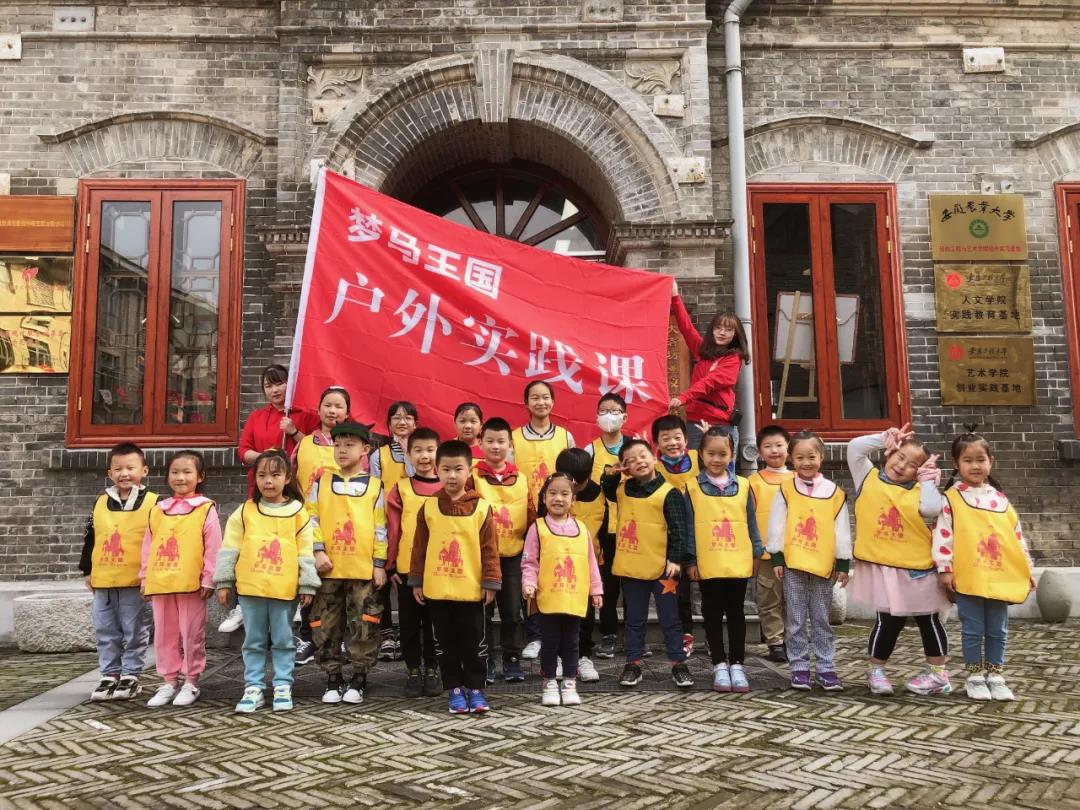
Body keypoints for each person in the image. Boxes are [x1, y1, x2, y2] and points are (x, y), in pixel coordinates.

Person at [933, 427, 1035, 702]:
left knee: (998, 629)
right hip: (968, 574)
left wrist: (1026, 569)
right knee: (972, 628)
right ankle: (975, 676)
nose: (975, 466)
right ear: (956, 464)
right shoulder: (951, 498)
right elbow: (944, 535)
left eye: (981, 459)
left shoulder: (1000, 500)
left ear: (991, 461)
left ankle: (996, 675)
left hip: (999, 574)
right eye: (968, 460)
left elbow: (1015, 537)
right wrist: (945, 568)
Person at [848, 424, 951, 697]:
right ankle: (876, 671)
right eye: (900, 456)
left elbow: (932, 509)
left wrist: (927, 481)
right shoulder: (867, 476)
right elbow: (855, 448)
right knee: (888, 621)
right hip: (884, 566)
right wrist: (884, 438)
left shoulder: (920, 489)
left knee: (929, 620)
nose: (902, 466)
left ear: (919, 471)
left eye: (913, 465)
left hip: (917, 567)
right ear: (890, 453)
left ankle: (938, 674)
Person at [214, 450, 320, 713]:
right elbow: (230, 547)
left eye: (275, 475)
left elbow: (305, 551)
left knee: (284, 639)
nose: (268, 481)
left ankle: (283, 684)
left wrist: (307, 583)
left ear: (287, 478)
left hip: (284, 589)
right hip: (251, 588)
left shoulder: (298, 512)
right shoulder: (245, 511)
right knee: (254, 640)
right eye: (262, 475)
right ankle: (254, 687)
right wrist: (224, 581)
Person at [410, 440, 501, 714]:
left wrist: (490, 582)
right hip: (437, 588)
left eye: (458, 469)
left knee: (474, 641)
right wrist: (417, 580)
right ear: (436, 470)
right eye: (446, 469)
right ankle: (455, 689)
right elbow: (419, 547)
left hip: (471, 589)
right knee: (445, 642)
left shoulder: (482, 508)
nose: (452, 476)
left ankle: (476, 688)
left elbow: (490, 549)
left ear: (469, 470)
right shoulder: (428, 507)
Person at [230, 364, 319, 634]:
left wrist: (293, 432)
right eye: (268, 386)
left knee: (290, 545)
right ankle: (242, 603)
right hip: (262, 491)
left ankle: (294, 597)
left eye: (279, 383)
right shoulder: (258, 417)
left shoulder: (305, 415)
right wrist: (269, 461)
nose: (274, 390)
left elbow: (318, 447)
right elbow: (243, 451)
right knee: (257, 545)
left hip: (295, 490)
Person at [601, 439, 693, 689]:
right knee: (634, 619)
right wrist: (613, 472)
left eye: (643, 455)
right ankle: (633, 664)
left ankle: (678, 664)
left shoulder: (669, 493)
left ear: (654, 457)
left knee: (670, 618)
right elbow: (606, 486)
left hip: (664, 570)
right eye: (630, 460)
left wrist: (676, 559)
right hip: (632, 568)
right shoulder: (621, 490)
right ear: (625, 467)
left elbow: (679, 529)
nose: (639, 462)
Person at [306, 420, 387, 706]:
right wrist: (317, 551)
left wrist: (379, 563)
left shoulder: (375, 486)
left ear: (364, 449)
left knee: (364, 622)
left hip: (362, 568)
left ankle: (360, 677)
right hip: (328, 567)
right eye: (337, 445)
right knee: (325, 623)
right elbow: (311, 518)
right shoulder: (321, 482)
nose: (342, 450)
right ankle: (332, 676)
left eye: (349, 445)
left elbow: (380, 527)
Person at [766, 431, 850, 691]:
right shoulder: (786, 489)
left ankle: (826, 667)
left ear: (821, 457)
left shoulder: (834, 493)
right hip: (794, 564)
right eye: (800, 457)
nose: (806, 462)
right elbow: (776, 524)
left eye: (811, 457)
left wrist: (843, 562)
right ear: (791, 459)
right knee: (796, 618)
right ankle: (799, 667)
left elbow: (842, 529)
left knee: (822, 618)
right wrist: (777, 557)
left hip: (823, 566)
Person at [684, 427, 763, 693]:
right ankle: (718, 663)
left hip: (738, 559)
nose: (716, 459)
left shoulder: (743, 485)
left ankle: (738, 664)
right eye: (711, 453)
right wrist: (691, 560)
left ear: (732, 454)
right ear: (700, 454)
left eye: (722, 453)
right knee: (712, 613)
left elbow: (752, 522)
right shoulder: (692, 488)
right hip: (708, 561)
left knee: (737, 612)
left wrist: (756, 552)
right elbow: (690, 527)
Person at [140, 451, 221, 708]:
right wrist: (145, 577)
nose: (180, 477)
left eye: (187, 472)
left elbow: (213, 546)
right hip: (162, 581)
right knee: (164, 633)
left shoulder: (205, 508)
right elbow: (148, 546)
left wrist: (209, 578)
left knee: (191, 633)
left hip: (191, 584)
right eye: (175, 472)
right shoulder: (158, 510)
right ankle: (169, 680)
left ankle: (191, 680)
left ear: (200, 476)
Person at [80, 442, 157, 702]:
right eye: (118, 469)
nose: (124, 473)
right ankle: (109, 674)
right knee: (105, 630)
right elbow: (90, 537)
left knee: (135, 630)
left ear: (144, 470)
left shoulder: (155, 503)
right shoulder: (100, 502)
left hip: (135, 580)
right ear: (110, 473)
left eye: (130, 468)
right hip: (104, 579)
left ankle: (131, 674)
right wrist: (87, 570)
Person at [522, 472, 603, 707]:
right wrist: (529, 582)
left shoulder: (582, 529)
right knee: (550, 642)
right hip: (549, 597)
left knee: (572, 642)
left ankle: (569, 683)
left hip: (574, 598)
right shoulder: (537, 528)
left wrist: (596, 590)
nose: (558, 498)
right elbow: (530, 561)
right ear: (544, 498)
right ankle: (549, 682)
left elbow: (590, 562)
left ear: (573, 499)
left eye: (565, 494)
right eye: (553, 493)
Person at [511, 380, 575, 659]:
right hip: (526, 515)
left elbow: (572, 478)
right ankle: (535, 634)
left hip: (558, 516)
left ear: (553, 402)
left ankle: (556, 633)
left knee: (556, 572)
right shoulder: (514, 438)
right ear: (525, 403)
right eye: (535, 398)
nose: (541, 402)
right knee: (530, 573)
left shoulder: (565, 437)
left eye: (546, 397)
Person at [291, 385, 351, 667]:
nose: (333, 411)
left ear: (347, 413)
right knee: (309, 584)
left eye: (339, 406)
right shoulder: (304, 444)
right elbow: (292, 479)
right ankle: (308, 638)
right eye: (328, 405)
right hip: (308, 523)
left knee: (342, 586)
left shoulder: (352, 446)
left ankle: (340, 640)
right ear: (319, 409)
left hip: (344, 524)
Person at [472, 417, 534, 684]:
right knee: (481, 612)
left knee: (512, 612)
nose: (495, 446)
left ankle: (512, 658)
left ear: (510, 445)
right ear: (480, 443)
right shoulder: (472, 476)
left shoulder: (521, 478)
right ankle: (484, 660)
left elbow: (530, 515)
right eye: (490, 441)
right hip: (480, 556)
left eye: (501, 441)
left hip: (512, 555)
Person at [385, 427, 443, 698]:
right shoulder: (401, 489)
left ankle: (432, 667)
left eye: (430, 450)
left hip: (440, 570)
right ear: (408, 454)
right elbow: (393, 528)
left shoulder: (448, 487)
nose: (424, 456)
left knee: (436, 623)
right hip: (408, 569)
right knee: (409, 624)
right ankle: (412, 669)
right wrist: (391, 565)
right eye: (418, 450)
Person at [547, 448, 609, 682]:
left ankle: (583, 656)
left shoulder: (599, 494)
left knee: (585, 615)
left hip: (588, 564)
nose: (570, 493)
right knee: (557, 614)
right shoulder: (551, 492)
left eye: (576, 487)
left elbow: (604, 529)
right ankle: (558, 657)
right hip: (556, 565)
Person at [669, 283, 750, 450]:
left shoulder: (733, 358)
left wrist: (684, 397)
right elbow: (686, 327)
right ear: (712, 330)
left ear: (736, 335)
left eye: (728, 329)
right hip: (695, 422)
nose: (722, 332)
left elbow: (710, 382)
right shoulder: (702, 351)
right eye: (718, 328)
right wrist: (675, 296)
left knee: (722, 466)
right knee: (695, 464)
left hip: (721, 425)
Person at [371, 401, 418, 661]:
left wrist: (409, 451)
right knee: (384, 578)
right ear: (388, 425)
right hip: (387, 523)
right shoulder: (378, 456)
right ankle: (387, 633)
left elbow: (417, 476)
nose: (402, 422)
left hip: (413, 524)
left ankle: (410, 633)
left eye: (408, 418)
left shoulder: (423, 453)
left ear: (415, 424)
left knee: (406, 578)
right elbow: (374, 489)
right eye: (397, 418)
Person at [652, 413, 701, 656]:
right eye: (666, 438)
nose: (672, 443)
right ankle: (681, 634)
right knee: (676, 591)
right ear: (656, 443)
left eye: (677, 437)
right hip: (670, 538)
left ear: (686, 439)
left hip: (701, 534)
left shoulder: (699, 459)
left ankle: (711, 639)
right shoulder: (654, 468)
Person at [747, 425, 793, 663]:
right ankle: (775, 642)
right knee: (769, 598)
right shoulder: (753, 482)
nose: (774, 450)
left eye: (779, 445)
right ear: (759, 451)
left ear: (789, 448)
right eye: (768, 446)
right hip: (766, 553)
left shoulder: (799, 479)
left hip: (796, 552)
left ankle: (793, 639)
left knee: (794, 599)